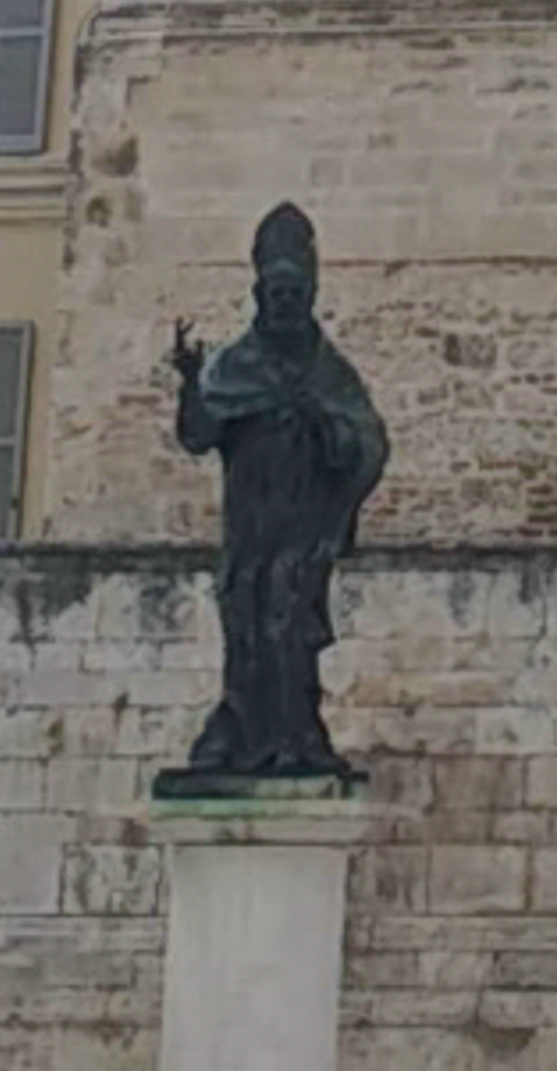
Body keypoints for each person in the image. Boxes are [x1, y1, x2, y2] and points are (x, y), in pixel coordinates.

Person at [160, 203, 388, 789]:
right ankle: (240, 729)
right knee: (246, 626)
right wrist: (190, 383)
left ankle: (294, 737)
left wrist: (325, 427)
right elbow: (199, 435)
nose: (285, 301)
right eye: (276, 291)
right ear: (261, 293)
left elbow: (366, 444)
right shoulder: (233, 365)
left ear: (309, 294)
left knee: (290, 629)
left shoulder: (330, 372)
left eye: (295, 291)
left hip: (302, 528)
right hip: (250, 528)